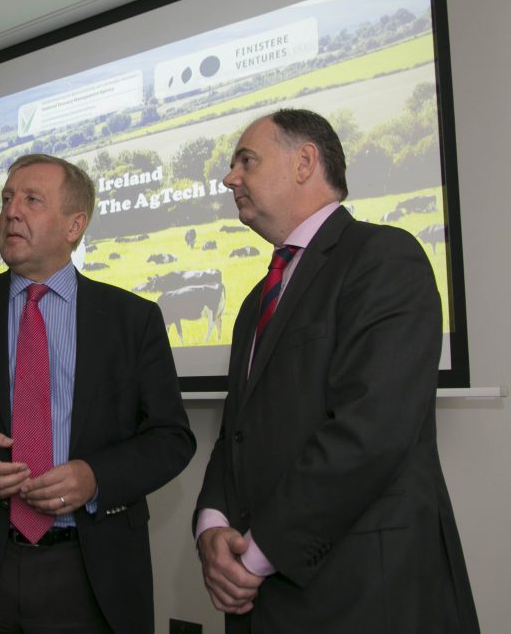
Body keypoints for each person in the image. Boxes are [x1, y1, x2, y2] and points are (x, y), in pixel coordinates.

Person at [0, 154, 196, 633]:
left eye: (32, 200)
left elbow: (172, 437)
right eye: (7, 198)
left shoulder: (133, 320)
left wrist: (95, 477)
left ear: (75, 225)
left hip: (91, 572)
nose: (12, 211)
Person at [194, 109, 479, 633]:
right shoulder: (256, 300)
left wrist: (256, 556)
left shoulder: (384, 257)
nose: (230, 177)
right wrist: (211, 527)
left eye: (246, 161)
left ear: (305, 161)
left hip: (362, 596)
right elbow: (237, 431)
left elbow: (372, 429)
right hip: (261, 602)